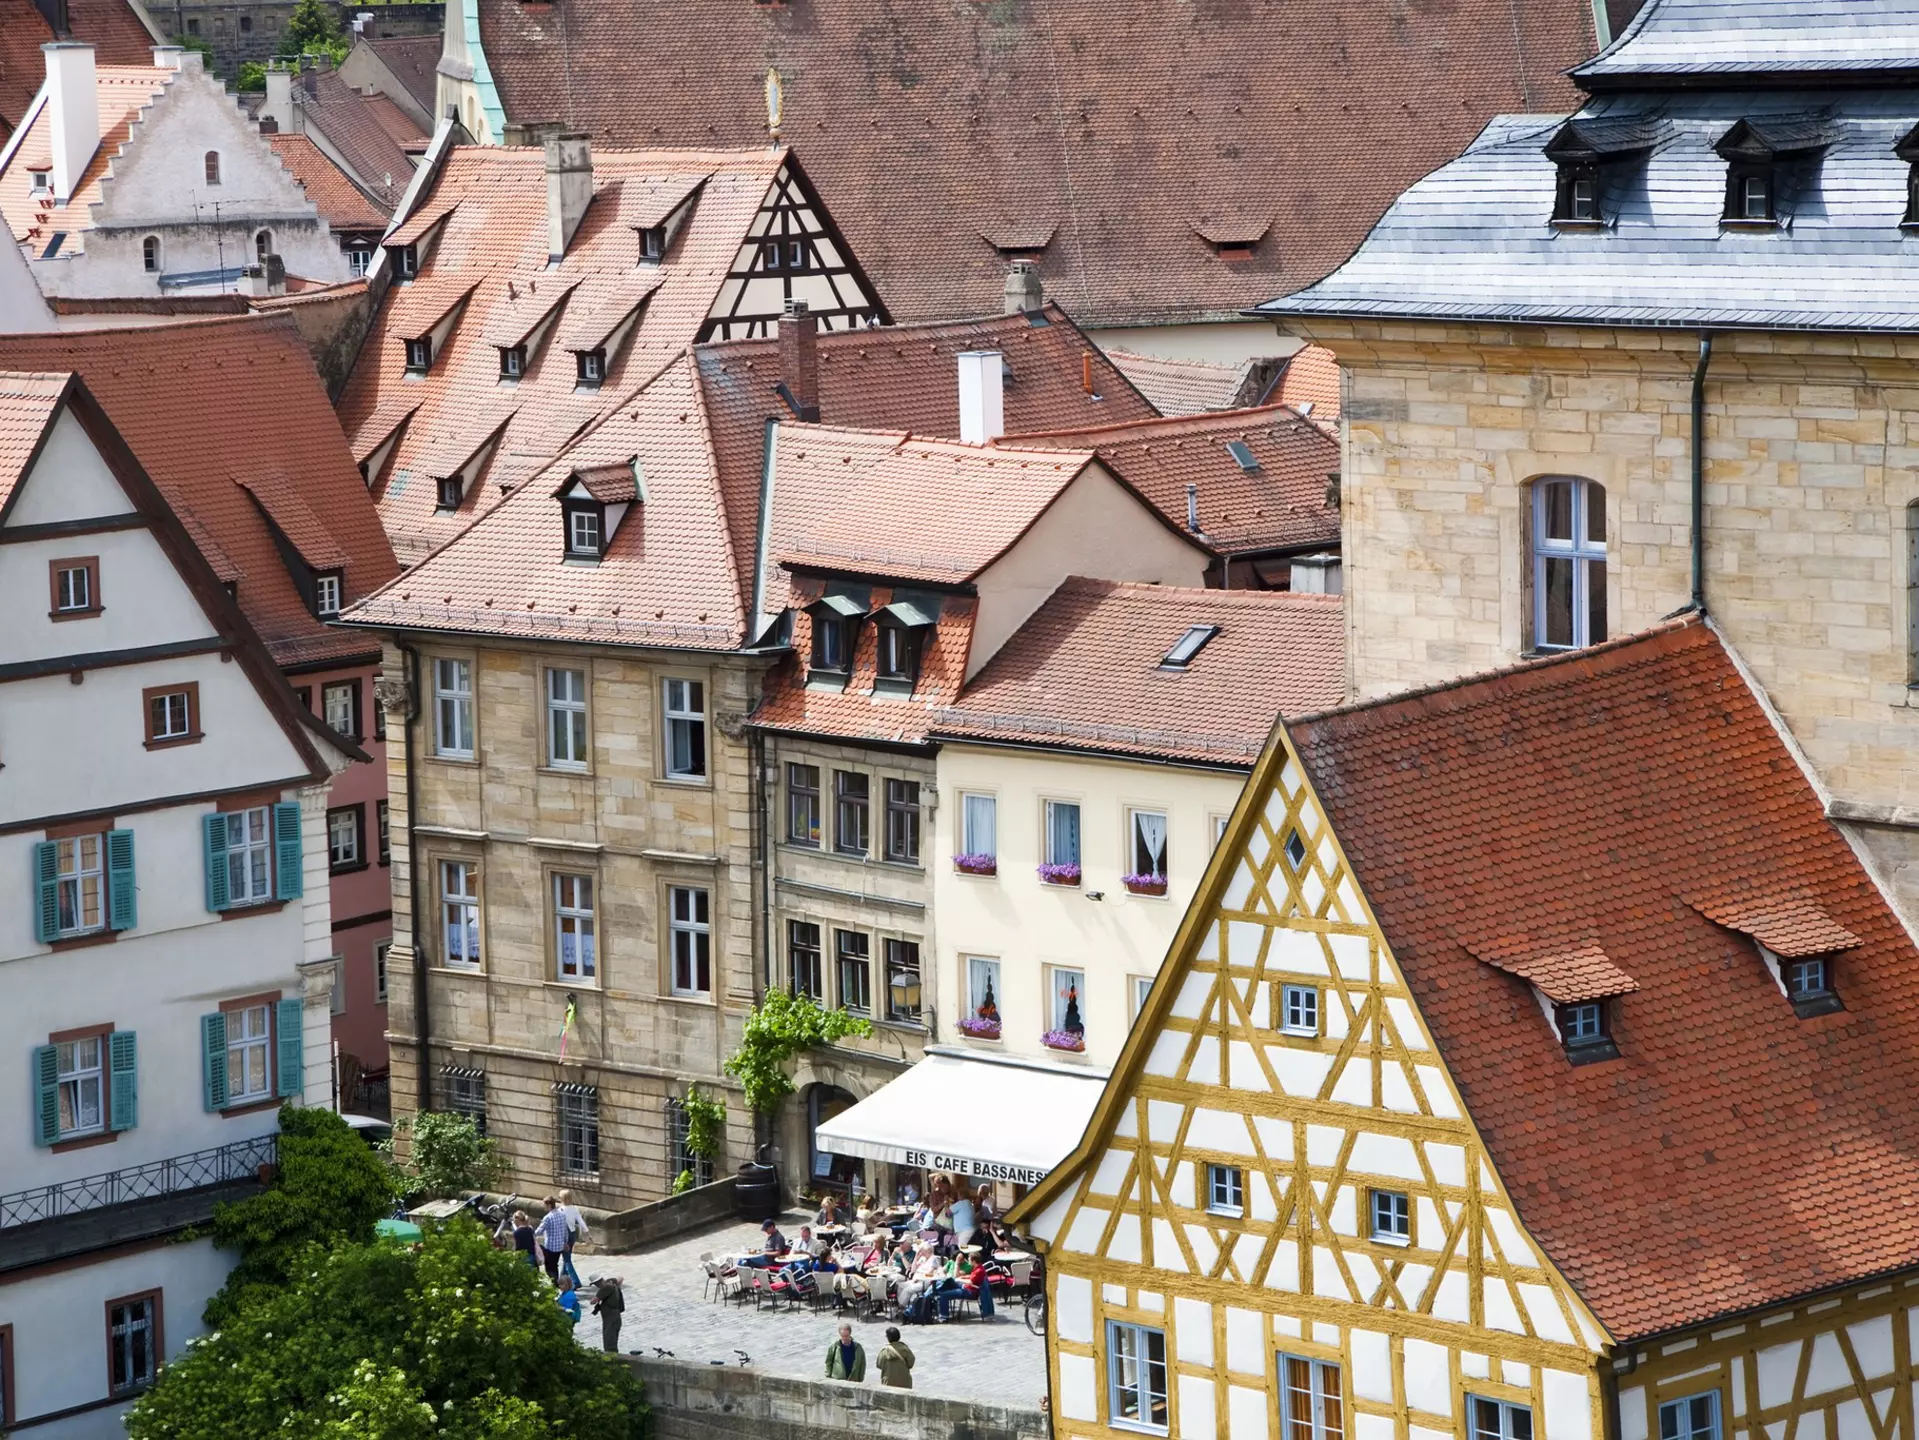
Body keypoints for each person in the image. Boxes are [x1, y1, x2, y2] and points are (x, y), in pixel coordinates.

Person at [558, 1188, 590, 1288]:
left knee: (567, 1260)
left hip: (564, 1235)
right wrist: (587, 1233)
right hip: (572, 1234)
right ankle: (562, 1278)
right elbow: (581, 1221)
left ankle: (575, 1282)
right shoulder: (574, 1208)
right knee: (566, 1258)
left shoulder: (560, 1210)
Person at [535, 1196, 571, 1283]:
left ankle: (556, 1285)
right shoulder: (562, 1215)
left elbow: (538, 1231)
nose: (543, 1206)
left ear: (549, 1205)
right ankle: (557, 1283)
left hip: (550, 1247)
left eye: (544, 1204)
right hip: (559, 1246)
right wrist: (566, 1242)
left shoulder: (548, 1218)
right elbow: (565, 1230)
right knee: (554, 1266)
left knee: (550, 1269)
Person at [592, 1275, 626, 1353]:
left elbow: (593, 1301)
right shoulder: (612, 1285)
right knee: (613, 1338)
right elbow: (620, 1278)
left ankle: (612, 1360)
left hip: (610, 1318)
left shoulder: (605, 1288)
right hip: (616, 1316)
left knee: (609, 1340)